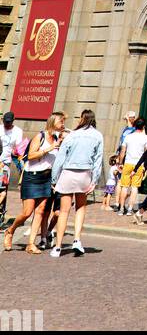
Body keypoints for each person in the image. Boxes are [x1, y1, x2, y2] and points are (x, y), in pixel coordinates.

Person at [3, 112, 65, 253]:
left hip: (46, 178)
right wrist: (50, 148)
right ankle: (10, 231)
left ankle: (31, 244)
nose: (63, 124)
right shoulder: (40, 136)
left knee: (41, 210)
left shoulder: (56, 137)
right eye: (61, 122)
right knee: (27, 212)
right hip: (32, 177)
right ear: (53, 122)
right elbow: (30, 156)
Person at [50, 109, 104, 258]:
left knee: (64, 211)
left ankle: (58, 247)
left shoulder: (72, 134)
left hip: (68, 173)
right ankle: (77, 240)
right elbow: (98, 160)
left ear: (82, 119)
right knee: (80, 208)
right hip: (85, 174)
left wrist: (54, 179)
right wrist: (95, 180)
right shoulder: (98, 135)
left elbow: (60, 158)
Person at [116, 116, 147, 215]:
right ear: (143, 126)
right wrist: (146, 167)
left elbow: (123, 151)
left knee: (124, 186)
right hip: (139, 164)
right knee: (135, 187)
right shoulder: (146, 138)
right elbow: (146, 153)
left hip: (128, 163)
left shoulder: (128, 137)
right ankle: (130, 209)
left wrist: (120, 163)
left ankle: (121, 208)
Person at [1, 111, 24, 227]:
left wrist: (17, 151)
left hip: (5, 163)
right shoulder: (0, 129)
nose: (7, 125)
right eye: (5, 122)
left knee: (3, 189)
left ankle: (1, 215)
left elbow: (19, 147)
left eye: (9, 123)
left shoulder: (18, 131)